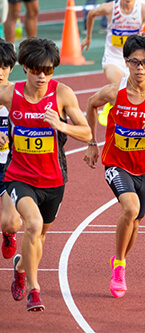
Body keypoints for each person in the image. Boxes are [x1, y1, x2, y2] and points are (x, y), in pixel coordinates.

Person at [84, 34, 145, 298]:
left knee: (136, 222)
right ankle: (119, 265)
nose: (140, 68)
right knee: (130, 207)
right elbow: (91, 105)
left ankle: (121, 258)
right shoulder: (114, 92)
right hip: (116, 162)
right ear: (126, 62)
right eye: (134, 62)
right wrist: (92, 143)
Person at [0, 37, 91, 312]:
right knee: (33, 225)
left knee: (37, 238)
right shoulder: (9, 94)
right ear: (25, 67)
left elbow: (86, 132)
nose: (42, 76)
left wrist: (61, 126)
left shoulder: (62, 93)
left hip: (53, 180)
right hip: (19, 175)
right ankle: (34, 290)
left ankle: (20, 266)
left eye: (49, 71)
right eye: (37, 70)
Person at [81, 0, 145, 126]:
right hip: (113, 58)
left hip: (133, 60)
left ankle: (126, 117)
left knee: (134, 92)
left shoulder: (144, 10)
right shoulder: (110, 8)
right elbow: (91, 14)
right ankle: (109, 105)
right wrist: (88, 37)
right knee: (121, 85)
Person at [0, 39, 21, 260]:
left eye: (4, 67)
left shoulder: (18, 96)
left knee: (11, 223)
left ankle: (9, 233)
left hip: (9, 166)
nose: (0, 72)